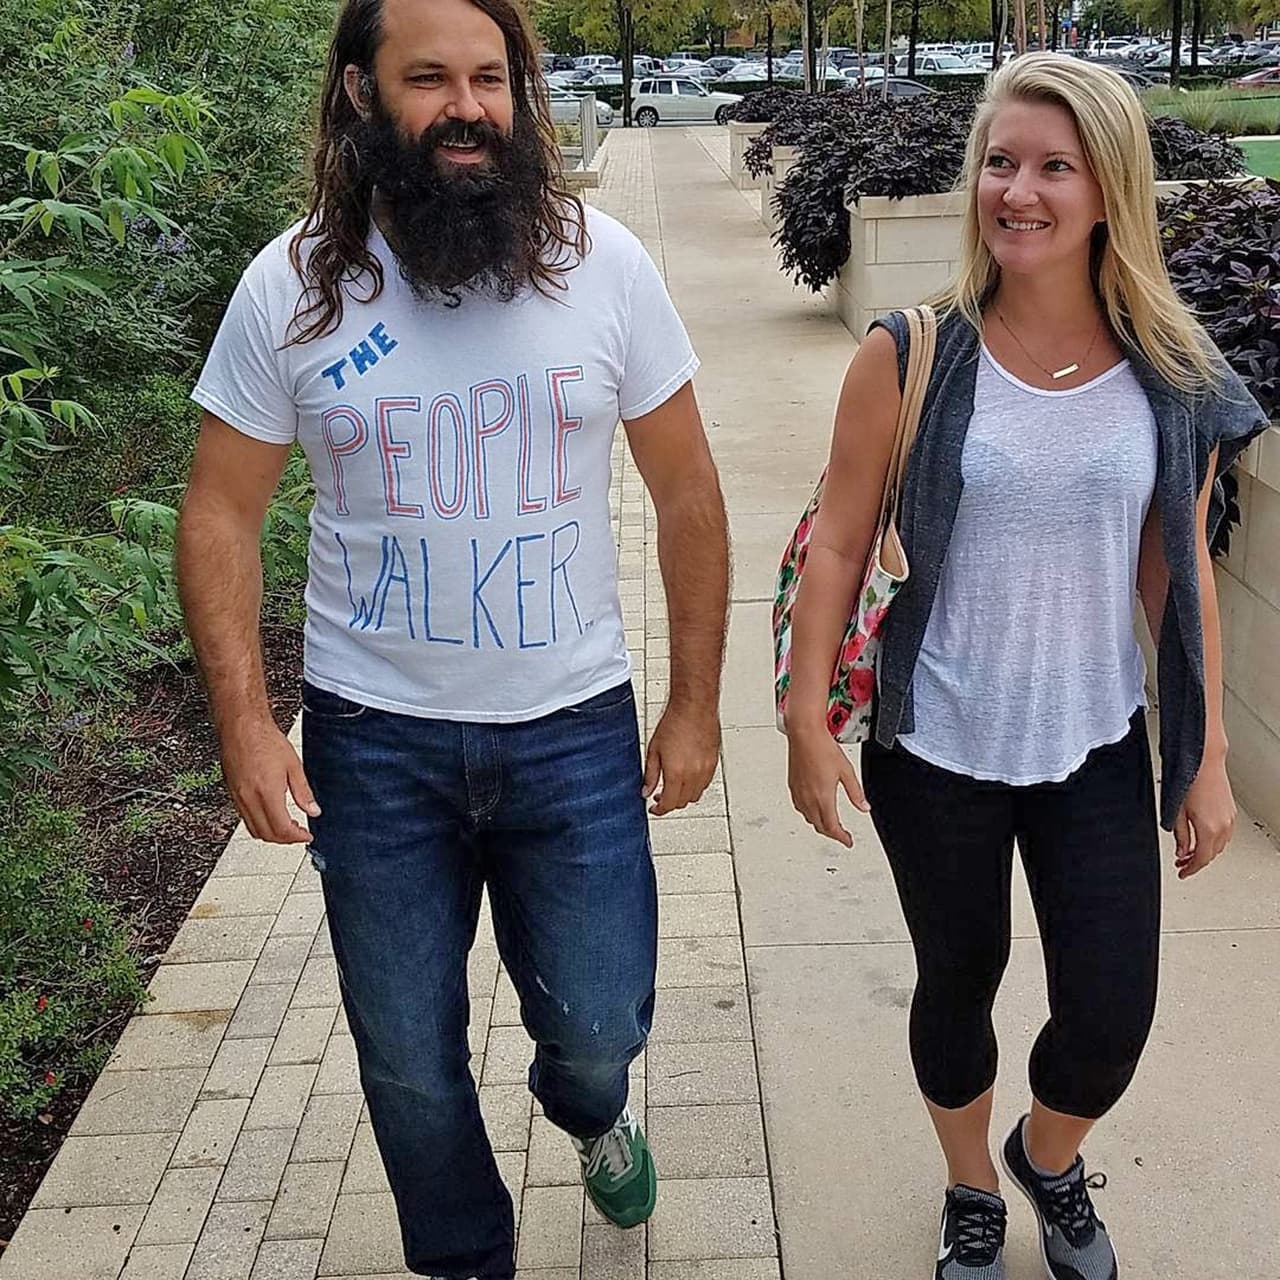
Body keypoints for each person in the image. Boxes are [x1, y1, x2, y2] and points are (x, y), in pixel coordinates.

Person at [175, 0, 729, 1275]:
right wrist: (248, 723)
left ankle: (589, 1112)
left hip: (572, 729)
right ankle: (466, 1254)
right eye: (428, 78)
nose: (466, 106)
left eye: (490, 77)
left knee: (597, 1027)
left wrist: (692, 703)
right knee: (408, 1054)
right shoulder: (293, 285)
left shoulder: (605, 264)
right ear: (363, 96)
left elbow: (689, 489)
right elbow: (219, 510)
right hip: (375, 743)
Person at [784, 54, 1266, 1280]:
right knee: (960, 977)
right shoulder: (911, 353)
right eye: (1001, 161)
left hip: (1093, 739)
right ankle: (969, 1190)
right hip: (933, 743)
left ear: (1109, 190)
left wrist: (1199, 759)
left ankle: (1045, 1155)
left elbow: (1182, 575)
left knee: (1109, 1011)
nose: (1020, 189)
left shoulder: (1171, 374)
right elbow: (837, 539)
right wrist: (802, 720)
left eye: (1054, 166)